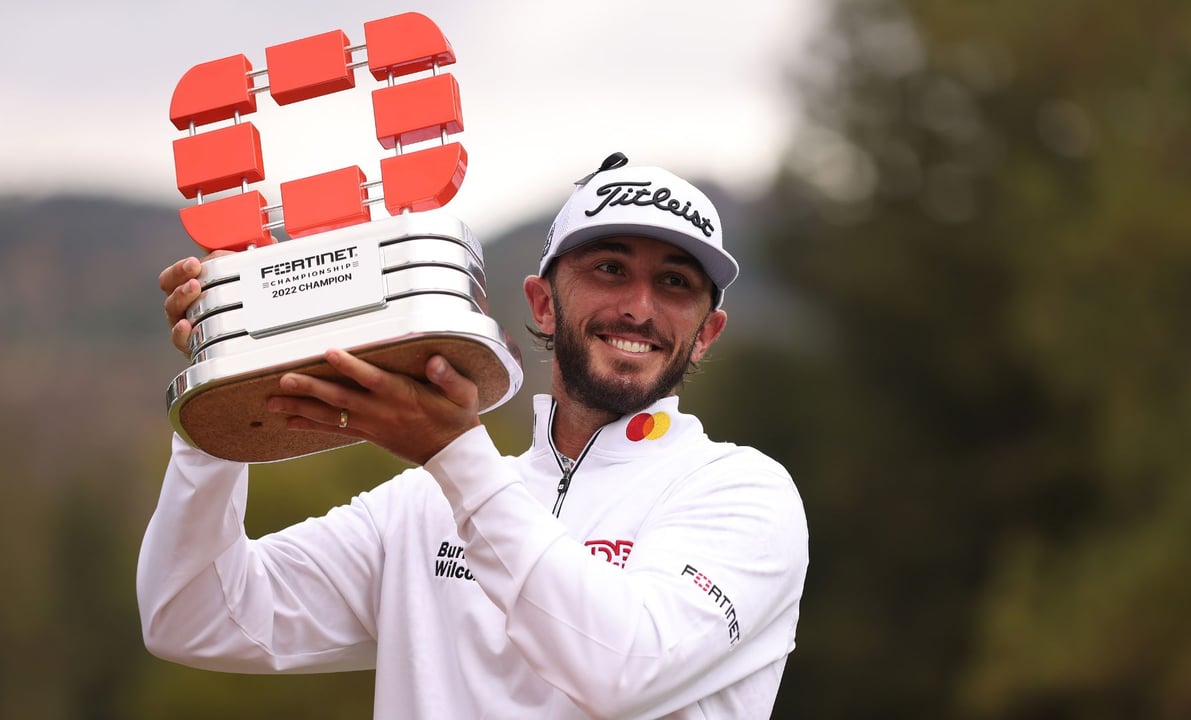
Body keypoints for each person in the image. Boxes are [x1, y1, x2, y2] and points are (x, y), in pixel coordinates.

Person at [137, 152, 809, 719]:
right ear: (544, 302)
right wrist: (219, 391)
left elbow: (622, 667)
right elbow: (193, 616)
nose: (639, 306)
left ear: (706, 333)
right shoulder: (423, 506)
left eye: (674, 283)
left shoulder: (743, 493)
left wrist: (455, 455)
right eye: (609, 268)